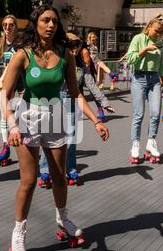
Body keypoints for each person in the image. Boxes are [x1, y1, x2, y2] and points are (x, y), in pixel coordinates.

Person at [1, 5, 109, 251]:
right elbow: (5, 94)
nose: (50, 25)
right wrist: (12, 125)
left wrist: (96, 120)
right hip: (27, 118)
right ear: (36, 23)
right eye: (45, 20)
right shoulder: (22, 55)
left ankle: (63, 219)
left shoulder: (65, 55)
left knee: (59, 175)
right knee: (29, 180)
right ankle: (18, 232)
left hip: (56, 117)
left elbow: (76, 94)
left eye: (54, 21)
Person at [38, 33, 115, 188]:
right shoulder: (55, 61)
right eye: (71, 46)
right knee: (51, 136)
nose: (74, 50)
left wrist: (104, 102)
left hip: (72, 101)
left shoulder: (81, 67)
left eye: (77, 47)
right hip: (54, 100)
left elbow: (91, 85)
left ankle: (71, 169)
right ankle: (45, 170)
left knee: (72, 138)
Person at [126, 14, 163, 164]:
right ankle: (135, 144)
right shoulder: (138, 39)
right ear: (149, 27)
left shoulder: (160, 43)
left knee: (156, 113)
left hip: (154, 79)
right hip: (139, 78)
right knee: (139, 114)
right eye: (156, 31)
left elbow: (161, 64)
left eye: (161, 32)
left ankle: (151, 142)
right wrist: (145, 50)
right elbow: (130, 59)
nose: (158, 34)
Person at [0, 14, 24, 167]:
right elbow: (3, 62)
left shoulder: (20, 43)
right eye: (5, 25)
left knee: (22, 112)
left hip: (21, 80)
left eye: (11, 25)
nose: (7, 27)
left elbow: (15, 62)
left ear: (15, 26)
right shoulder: (0, 42)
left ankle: (25, 138)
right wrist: (0, 78)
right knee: (4, 113)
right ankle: (5, 145)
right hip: (6, 80)